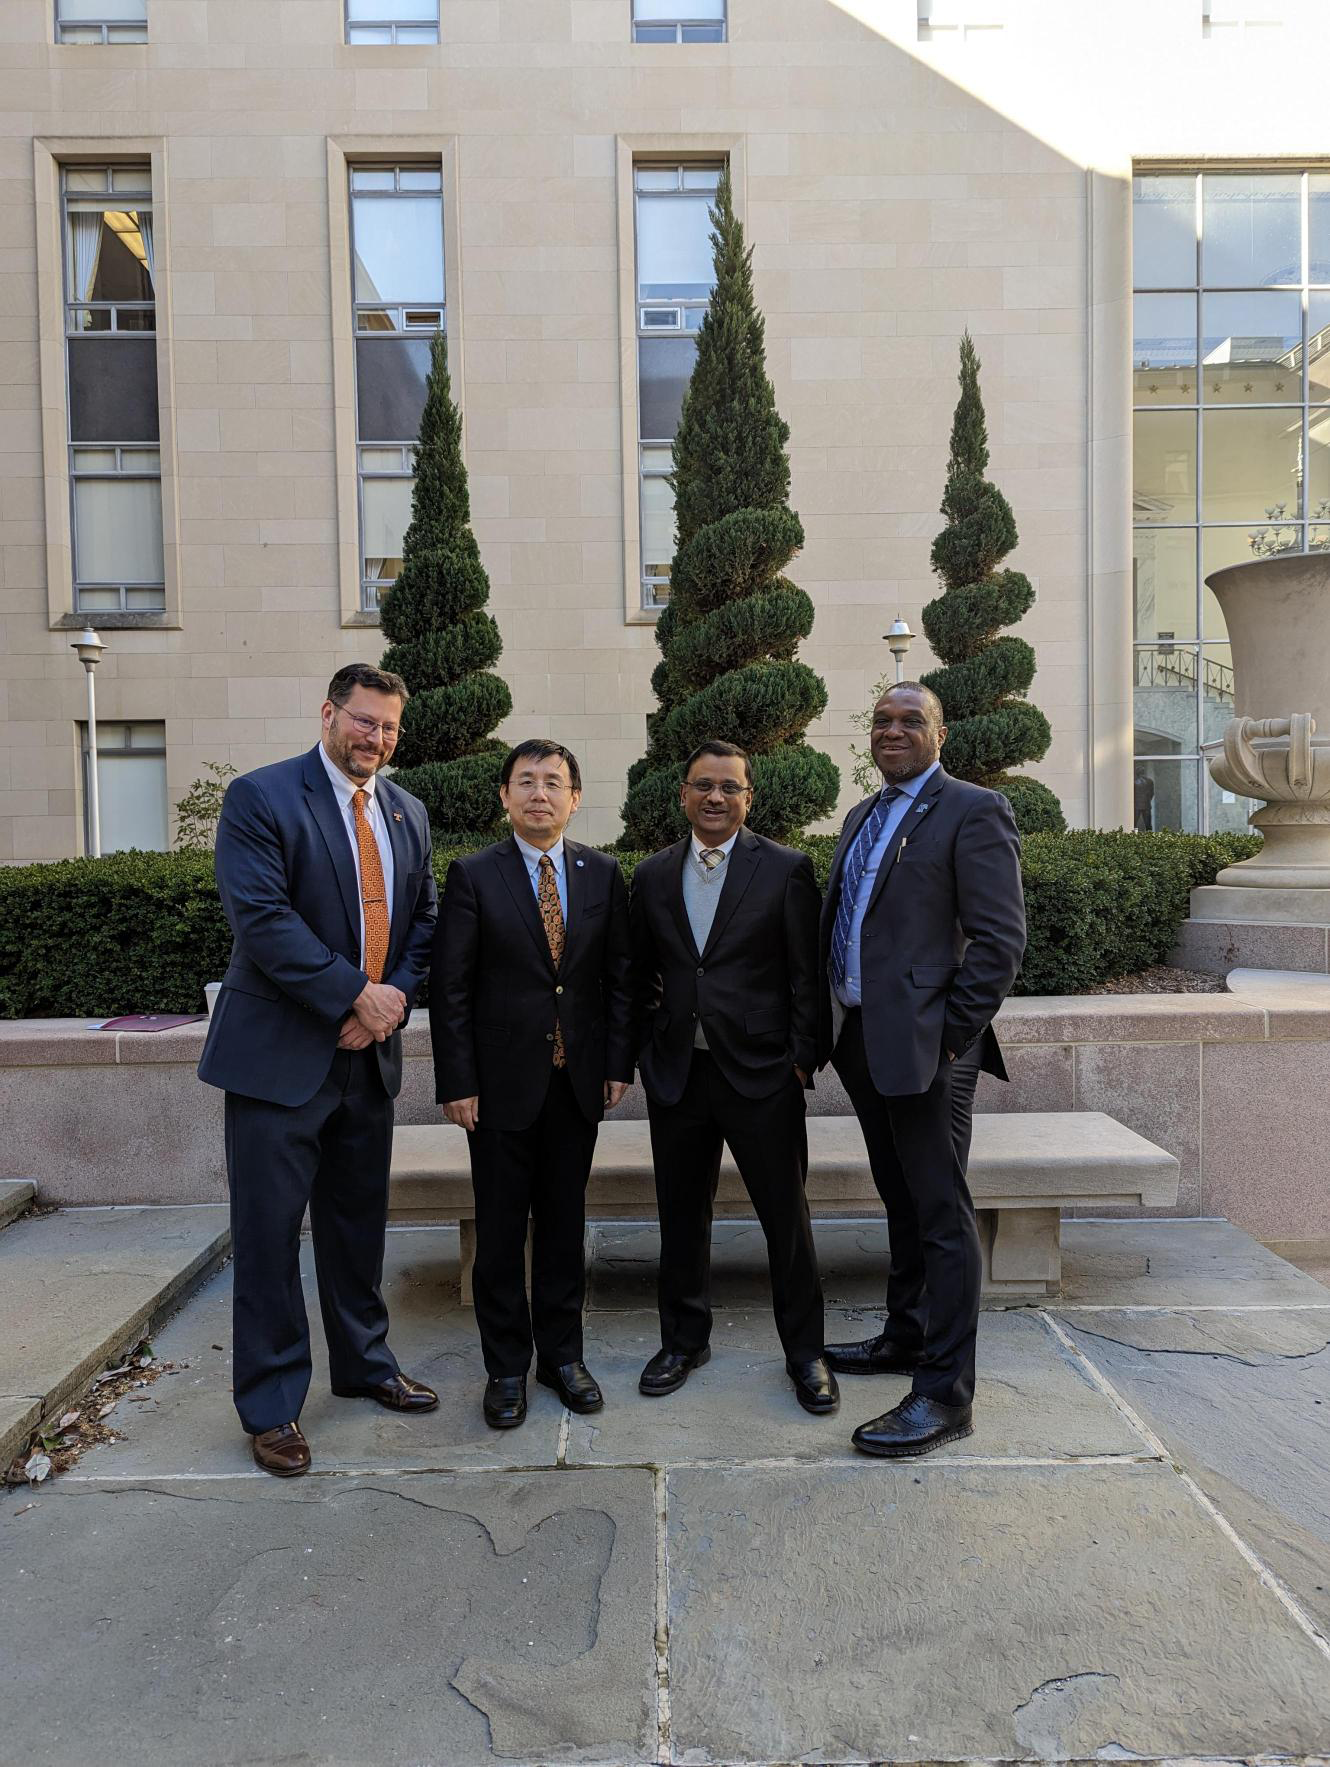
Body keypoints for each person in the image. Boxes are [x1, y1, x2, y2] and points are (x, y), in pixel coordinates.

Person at [199, 663, 440, 1477]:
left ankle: (366, 1364)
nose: (376, 738)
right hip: (279, 1061)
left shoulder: (408, 812)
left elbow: (424, 920)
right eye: (364, 721)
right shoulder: (262, 798)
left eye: (390, 728)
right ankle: (271, 1407)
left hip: (367, 1062)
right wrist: (353, 996)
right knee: (269, 1240)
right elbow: (262, 920)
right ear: (329, 714)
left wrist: (393, 996)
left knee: (356, 1229)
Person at [819, 682, 1026, 1458]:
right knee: (901, 1200)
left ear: (943, 733)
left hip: (928, 1050)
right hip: (865, 1041)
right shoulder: (864, 815)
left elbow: (1000, 943)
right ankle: (906, 1336)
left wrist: (947, 1038)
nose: (893, 730)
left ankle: (945, 1393)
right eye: (882, 720)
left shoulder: (973, 810)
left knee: (942, 1215)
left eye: (911, 720)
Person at [629, 741, 837, 1416]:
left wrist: (802, 1060)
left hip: (763, 1074)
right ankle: (684, 1341)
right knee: (681, 1216)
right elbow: (637, 974)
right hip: (679, 1075)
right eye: (703, 786)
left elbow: (809, 977)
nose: (715, 798)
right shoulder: (653, 874)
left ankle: (805, 1352)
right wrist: (642, 1049)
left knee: (787, 1219)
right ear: (683, 795)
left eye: (730, 788)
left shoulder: (785, 870)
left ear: (750, 799)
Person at [430, 740, 633, 1429]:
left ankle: (563, 1357)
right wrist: (457, 1079)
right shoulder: (473, 874)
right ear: (505, 797)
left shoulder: (602, 873)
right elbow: (450, 988)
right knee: (499, 1229)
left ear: (575, 797)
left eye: (554, 782)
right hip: (497, 1088)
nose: (539, 793)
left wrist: (614, 1062)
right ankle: (506, 1367)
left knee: (564, 1226)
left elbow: (619, 980)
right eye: (526, 782)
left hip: (575, 1084)